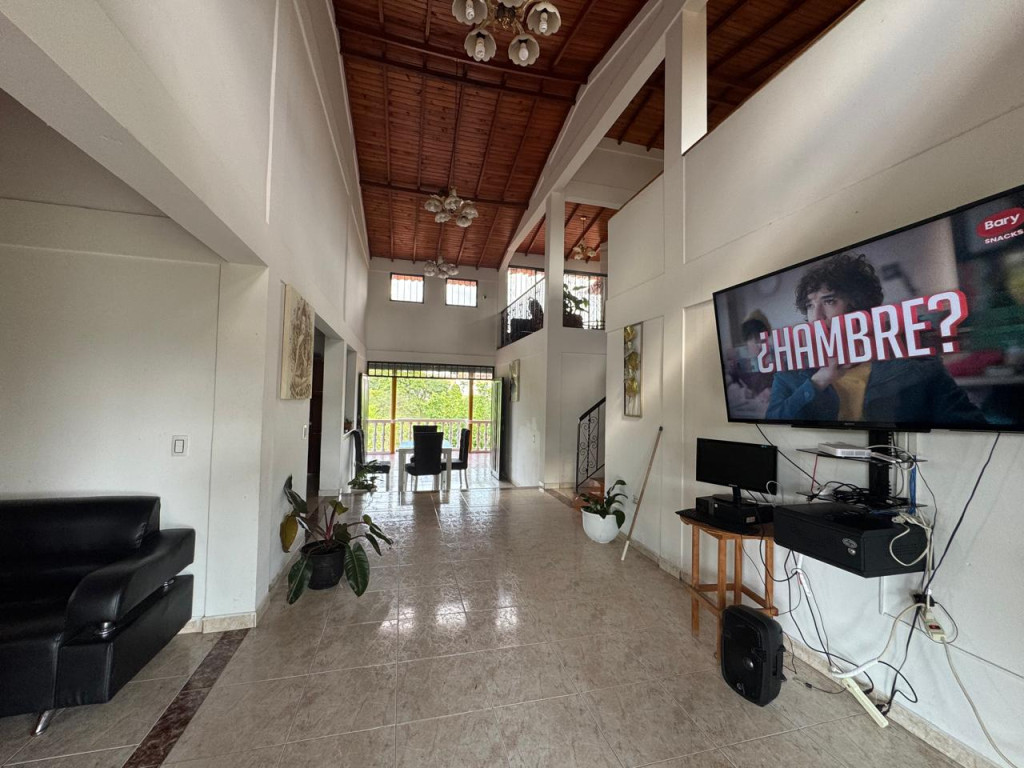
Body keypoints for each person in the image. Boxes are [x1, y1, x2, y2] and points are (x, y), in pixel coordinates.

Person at [765, 253, 986, 425]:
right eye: (810, 305)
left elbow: (971, 427)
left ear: (860, 305)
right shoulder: (792, 370)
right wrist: (818, 382)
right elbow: (773, 424)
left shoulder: (918, 366)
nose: (817, 316)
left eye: (829, 301)